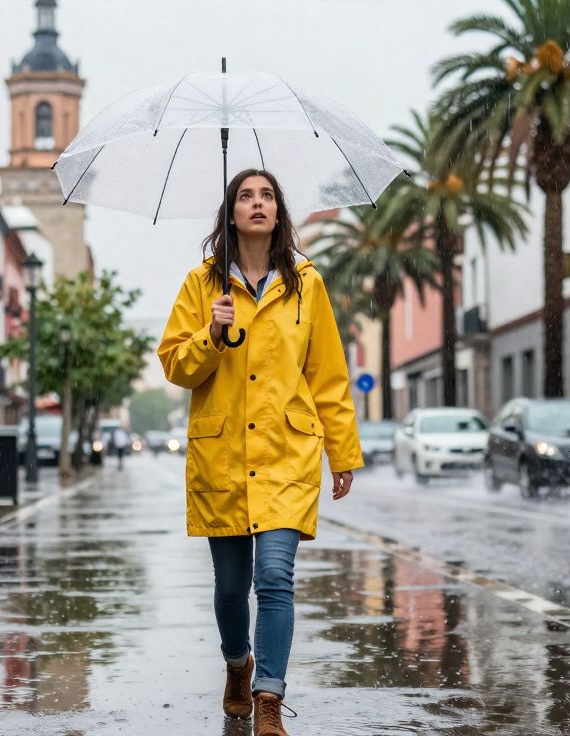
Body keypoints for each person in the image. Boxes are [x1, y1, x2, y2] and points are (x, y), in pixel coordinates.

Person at [158, 169, 362, 736]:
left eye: (267, 195)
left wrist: (342, 451)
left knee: (275, 577)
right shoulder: (203, 285)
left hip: (286, 453)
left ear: (279, 212)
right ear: (230, 212)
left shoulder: (307, 285)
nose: (256, 203)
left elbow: (328, 374)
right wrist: (211, 335)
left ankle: (268, 695)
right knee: (230, 586)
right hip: (222, 453)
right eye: (245, 195)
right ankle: (236, 663)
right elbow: (175, 364)